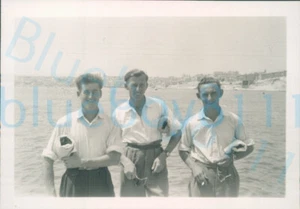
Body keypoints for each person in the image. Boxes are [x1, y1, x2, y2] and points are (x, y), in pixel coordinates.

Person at [42, 73, 123, 197]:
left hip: (102, 181)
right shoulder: (64, 122)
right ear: (78, 94)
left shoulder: (110, 123)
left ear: (100, 94)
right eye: (86, 92)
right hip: (73, 181)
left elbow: (114, 158)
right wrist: (51, 195)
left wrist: (82, 162)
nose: (91, 96)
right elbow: (48, 158)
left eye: (95, 91)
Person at [178, 77, 254, 197]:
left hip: (227, 175)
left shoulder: (233, 120)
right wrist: (194, 168)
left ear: (221, 93)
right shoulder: (191, 123)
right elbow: (183, 150)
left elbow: (249, 146)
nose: (210, 98)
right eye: (205, 94)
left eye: (214, 93)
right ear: (198, 96)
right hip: (201, 175)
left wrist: (233, 157)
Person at [112, 69, 182, 197]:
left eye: (142, 85)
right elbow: (112, 144)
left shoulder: (159, 105)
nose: (138, 89)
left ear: (147, 86)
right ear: (126, 86)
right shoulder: (119, 112)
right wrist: (125, 161)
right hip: (130, 158)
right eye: (134, 85)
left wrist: (164, 155)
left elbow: (177, 132)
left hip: (156, 157)